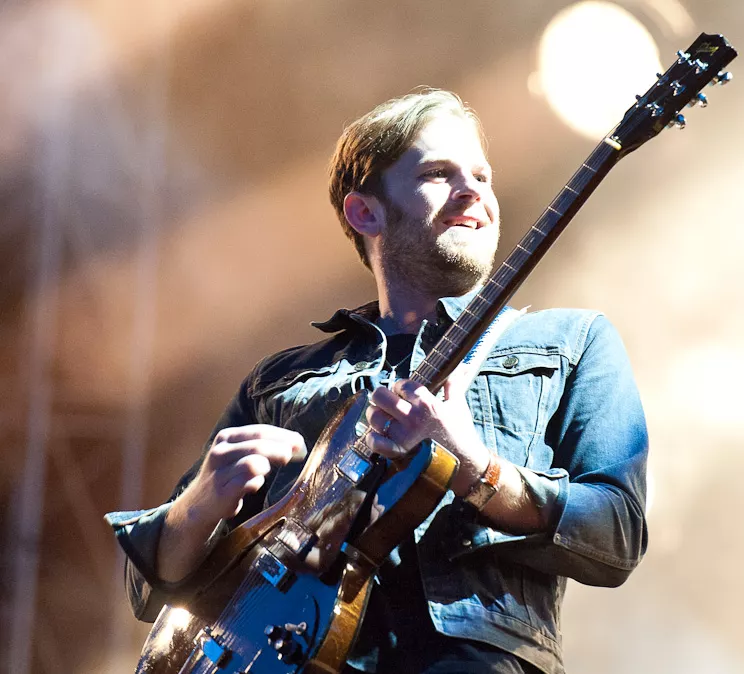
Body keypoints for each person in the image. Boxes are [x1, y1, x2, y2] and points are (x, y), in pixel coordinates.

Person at [105, 88, 648, 674]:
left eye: (483, 177)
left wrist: (478, 470)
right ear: (365, 211)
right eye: (439, 174)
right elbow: (148, 586)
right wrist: (202, 500)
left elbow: (615, 534)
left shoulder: (571, 341)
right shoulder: (281, 380)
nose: (474, 192)